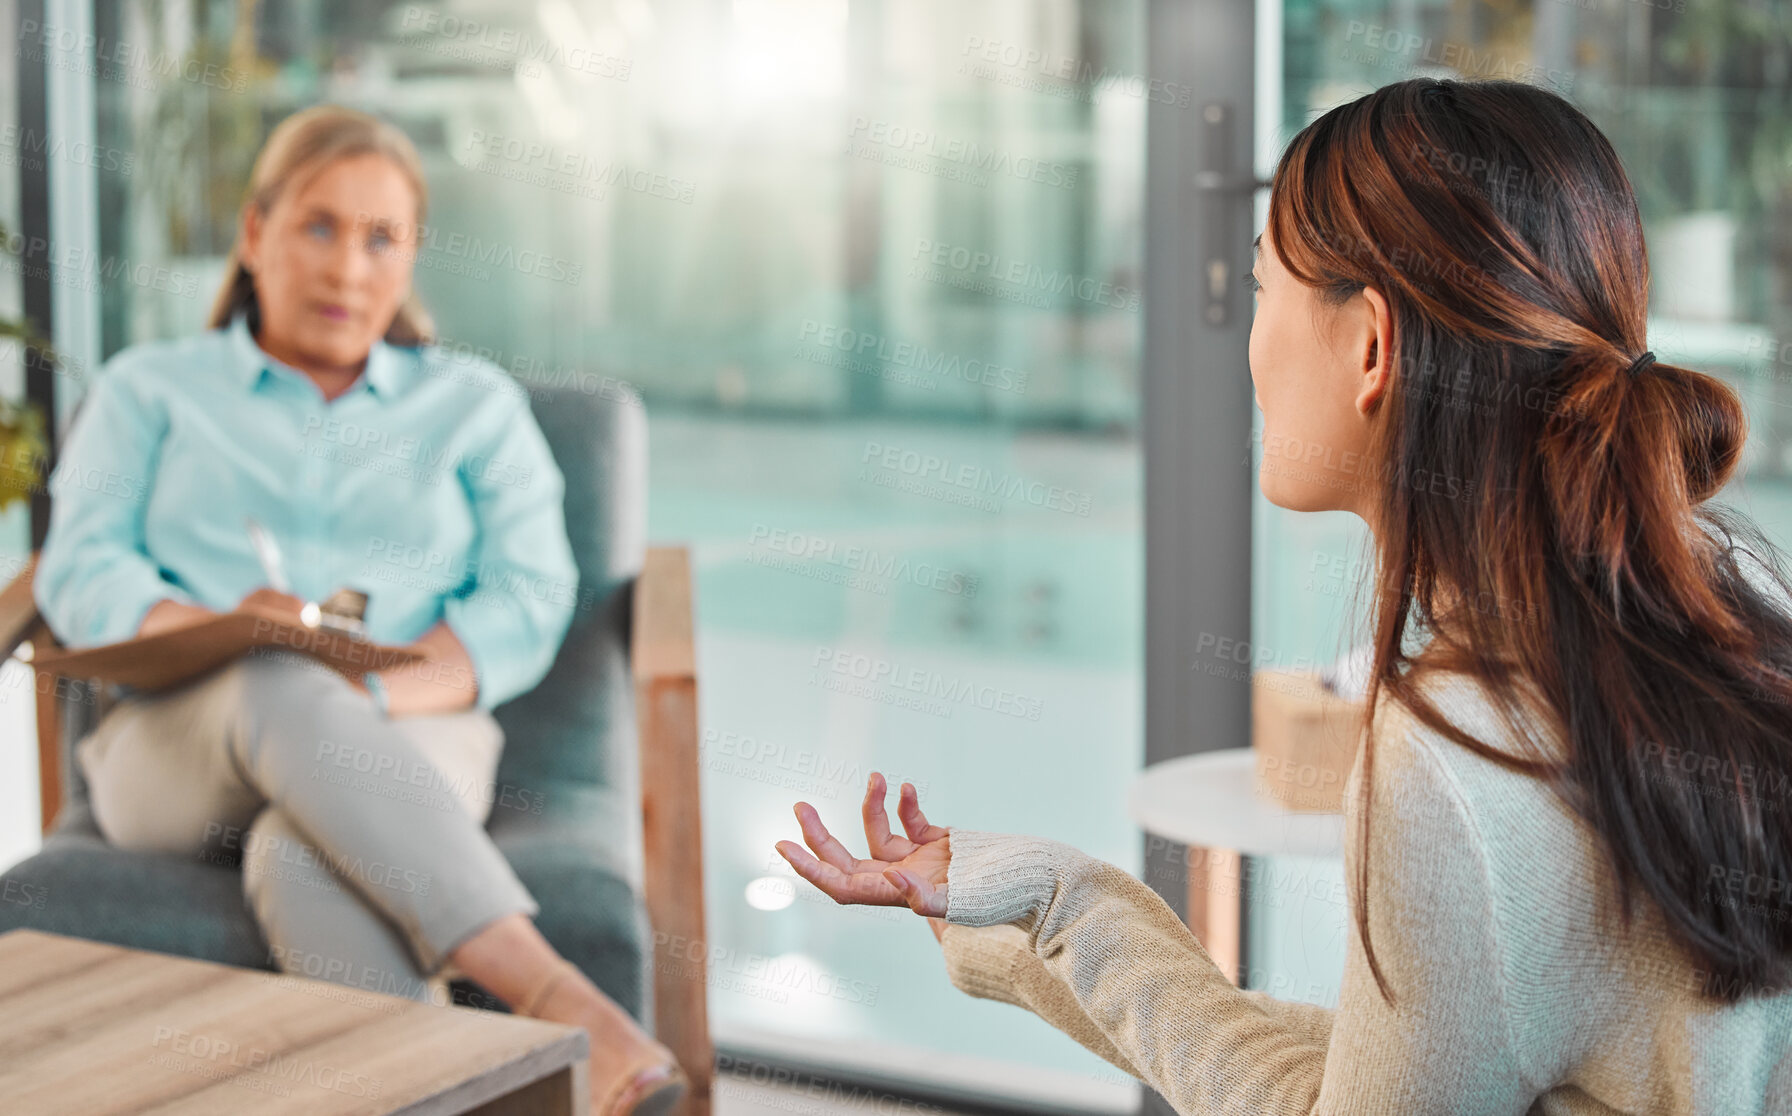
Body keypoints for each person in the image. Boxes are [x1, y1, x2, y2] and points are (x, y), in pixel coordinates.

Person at [776, 78, 1792, 1113]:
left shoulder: (1457, 748)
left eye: (1264, 291)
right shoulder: (1734, 596)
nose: (1248, 348)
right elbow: (1419, 1073)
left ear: (1370, 348)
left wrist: (1063, 910)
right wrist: (1043, 908)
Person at [32, 105, 687, 1116]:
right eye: (319, 227)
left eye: (381, 238)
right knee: (270, 669)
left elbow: (528, 591)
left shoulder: (472, 408)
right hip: (177, 748)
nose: (348, 269)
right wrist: (214, 639)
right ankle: (556, 995)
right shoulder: (147, 391)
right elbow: (77, 568)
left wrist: (364, 694)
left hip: (413, 734)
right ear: (255, 234)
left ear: (412, 255)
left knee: (306, 853)